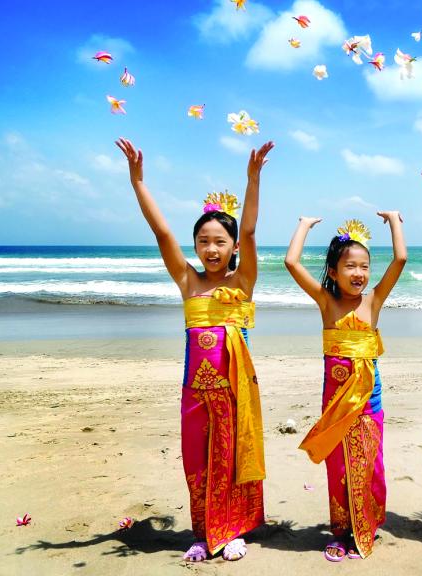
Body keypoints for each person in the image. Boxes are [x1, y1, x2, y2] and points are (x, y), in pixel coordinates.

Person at [115, 137, 274, 562]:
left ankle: (234, 529)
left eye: (221, 241)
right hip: (194, 391)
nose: (211, 249)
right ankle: (204, 532)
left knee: (232, 458)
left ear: (234, 248)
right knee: (197, 463)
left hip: (235, 389)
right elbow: (162, 231)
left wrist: (252, 179)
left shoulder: (241, 283)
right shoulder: (188, 281)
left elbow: (253, 229)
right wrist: (138, 182)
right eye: (203, 241)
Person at [283, 213, 406, 560]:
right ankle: (341, 529)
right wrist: (304, 225)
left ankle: (366, 523)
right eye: (350, 266)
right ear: (334, 272)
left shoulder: (374, 301)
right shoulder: (327, 303)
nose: (359, 273)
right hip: (335, 405)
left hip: (369, 403)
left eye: (364, 266)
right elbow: (291, 262)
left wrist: (395, 221)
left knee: (369, 465)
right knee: (338, 469)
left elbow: (400, 259)